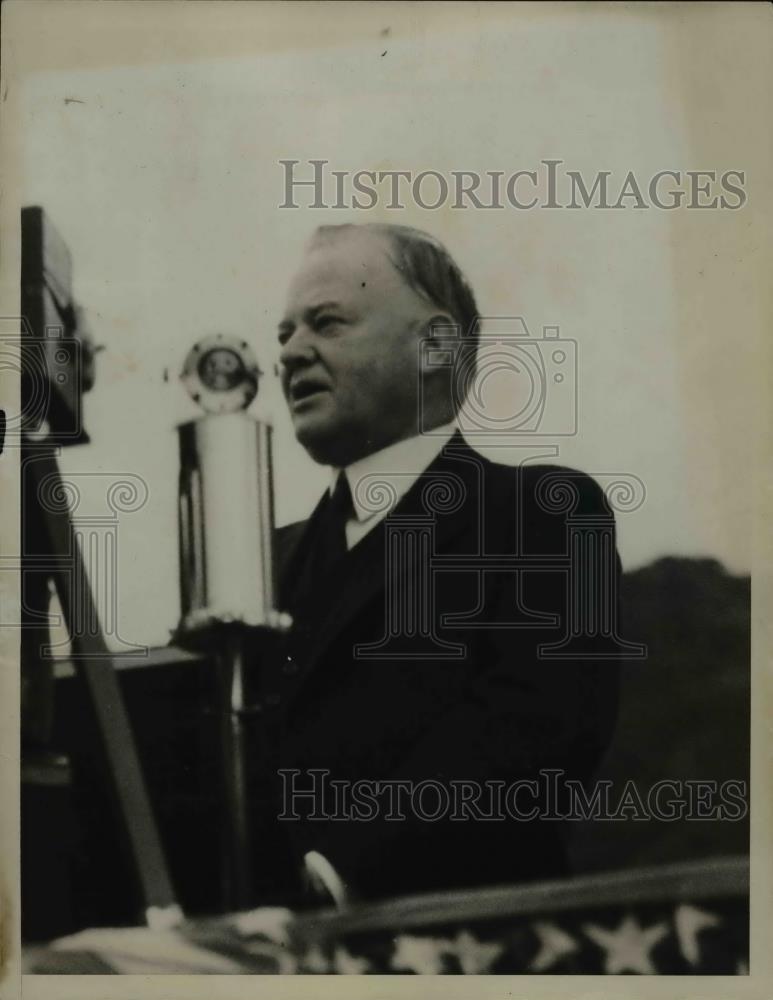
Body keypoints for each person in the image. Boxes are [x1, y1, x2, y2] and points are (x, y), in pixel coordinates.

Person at [249, 223, 621, 905]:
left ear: (435, 345)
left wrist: (334, 870)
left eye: (326, 323)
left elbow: (534, 730)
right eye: (283, 335)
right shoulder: (258, 558)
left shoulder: (545, 511)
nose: (291, 352)